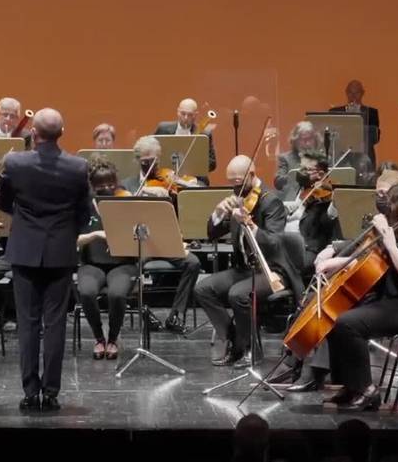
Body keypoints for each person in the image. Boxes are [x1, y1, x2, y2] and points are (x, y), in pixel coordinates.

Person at [0, 107, 92, 412]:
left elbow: (2, 201)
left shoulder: (14, 162)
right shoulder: (78, 167)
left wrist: (25, 221)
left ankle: (29, 391)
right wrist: (63, 232)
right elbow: (83, 213)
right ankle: (51, 392)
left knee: (27, 323)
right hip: (60, 252)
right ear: (61, 133)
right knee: (55, 324)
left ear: (33, 133)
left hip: (24, 249)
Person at [318, 182, 398, 411]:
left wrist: (390, 241)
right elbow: (368, 259)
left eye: (391, 204)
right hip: (394, 301)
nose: (385, 209)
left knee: (349, 323)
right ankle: (351, 385)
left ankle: (368, 391)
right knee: (337, 317)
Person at [283, 169, 398, 392]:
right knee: (314, 298)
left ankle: (315, 372)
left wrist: (342, 263)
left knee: (333, 308)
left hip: (387, 290)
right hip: (369, 281)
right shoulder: (384, 218)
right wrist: (334, 248)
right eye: (377, 194)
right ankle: (297, 364)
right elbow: (364, 243)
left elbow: (383, 261)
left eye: (384, 194)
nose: (379, 199)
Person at [194, 155, 297, 368]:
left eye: (238, 182)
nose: (235, 187)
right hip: (244, 268)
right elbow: (212, 233)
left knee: (238, 294)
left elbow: (275, 243)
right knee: (203, 288)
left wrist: (251, 224)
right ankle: (234, 338)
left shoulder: (271, 201)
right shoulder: (238, 198)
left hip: (271, 270)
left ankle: (251, 350)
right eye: (231, 182)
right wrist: (218, 212)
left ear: (251, 175)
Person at [121, 136, 203, 333]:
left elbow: (198, 191)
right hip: (141, 241)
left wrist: (181, 182)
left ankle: (176, 315)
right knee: (128, 268)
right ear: (137, 160)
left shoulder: (168, 180)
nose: (151, 165)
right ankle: (142, 311)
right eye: (146, 161)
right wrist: (144, 194)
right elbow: (123, 213)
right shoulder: (127, 185)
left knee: (193, 263)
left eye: (155, 160)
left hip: (166, 240)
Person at [76, 158, 137, 360]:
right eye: (101, 185)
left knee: (117, 294)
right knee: (86, 292)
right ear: (92, 185)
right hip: (92, 263)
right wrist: (95, 235)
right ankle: (98, 337)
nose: (107, 188)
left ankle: (113, 338)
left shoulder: (126, 203)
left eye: (111, 184)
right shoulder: (84, 206)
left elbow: (140, 235)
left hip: (123, 264)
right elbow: (73, 239)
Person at [152, 98, 217, 184]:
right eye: (183, 113)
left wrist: (193, 166)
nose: (186, 118)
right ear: (177, 112)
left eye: (190, 115)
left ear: (196, 115)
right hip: (166, 176)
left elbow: (212, 163)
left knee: (199, 188)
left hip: (194, 178)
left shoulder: (204, 134)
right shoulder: (163, 128)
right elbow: (151, 152)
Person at [328, 80, 381, 166]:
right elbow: (331, 136)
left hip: (364, 156)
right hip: (340, 156)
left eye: (357, 92)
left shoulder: (371, 112)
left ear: (362, 93)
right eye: (350, 92)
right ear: (346, 93)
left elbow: (376, 137)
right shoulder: (335, 112)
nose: (353, 96)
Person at [274, 121, 324, 201]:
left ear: (315, 140)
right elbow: (278, 182)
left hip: (318, 200)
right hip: (294, 202)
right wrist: (301, 176)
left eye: (310, 139)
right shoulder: (285, 158)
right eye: (303, 140)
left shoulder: (322, 159)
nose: (307, 143)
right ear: (295, 141)